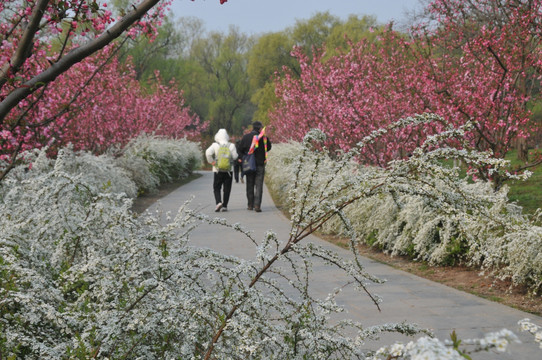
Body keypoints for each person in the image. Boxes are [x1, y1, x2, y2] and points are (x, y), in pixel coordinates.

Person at [238, 121, 272, 212]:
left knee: (250, 184)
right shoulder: (263, 138)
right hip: (260, 164)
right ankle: (257, 205)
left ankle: (250, 204)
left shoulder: (246, 137)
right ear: (260, 128)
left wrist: (242, 158)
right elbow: (268, 148)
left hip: (249, 164)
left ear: (252, 128)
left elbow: (240, 149)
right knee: (259, 185)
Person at [205, 129, 238, 212]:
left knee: (216, 187)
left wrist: (212, 161)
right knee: (227, 189)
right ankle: (225, 206)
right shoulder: (231, 145)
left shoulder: (215, 145)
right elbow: (235, 157)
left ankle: (218, 202)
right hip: (228, 170)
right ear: (227, 136)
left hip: (217, 170)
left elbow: (208, 152)